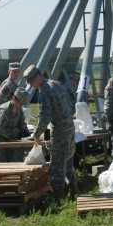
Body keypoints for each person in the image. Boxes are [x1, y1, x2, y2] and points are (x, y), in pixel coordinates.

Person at [27, 64, 77, 199]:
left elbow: (44, 116)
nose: (31, 84)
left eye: (32, 81)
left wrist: (36, 134)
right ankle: (74, 191)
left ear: (38, 77)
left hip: (60, 132)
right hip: (70, 128)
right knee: (68, 163)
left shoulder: (44, 91)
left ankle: (58, 198)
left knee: (57, 167)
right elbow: (69, 103)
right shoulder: (56, 84)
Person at [0, 87, 30, 162]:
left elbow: (21, 122)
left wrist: (26, 133)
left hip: (8, 137)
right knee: (0, 162)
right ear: (14, 99)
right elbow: (1, 129)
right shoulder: (4, 110)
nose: (21, 106)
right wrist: (17, 135)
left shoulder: (19, 109)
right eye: (20, 103)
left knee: (16, 156)